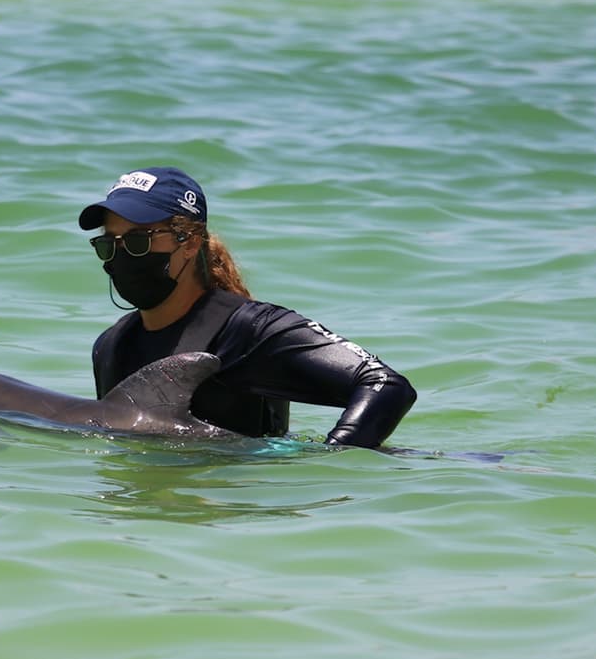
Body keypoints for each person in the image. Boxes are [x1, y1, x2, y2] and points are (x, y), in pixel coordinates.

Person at [78, 166, 416, 448]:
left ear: (189, 242)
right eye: (109, 245)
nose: (121, 257)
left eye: (139, 241)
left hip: (239, 516)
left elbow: (385, 385)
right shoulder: (111, 346)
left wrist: (331, 463)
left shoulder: (248, 329)